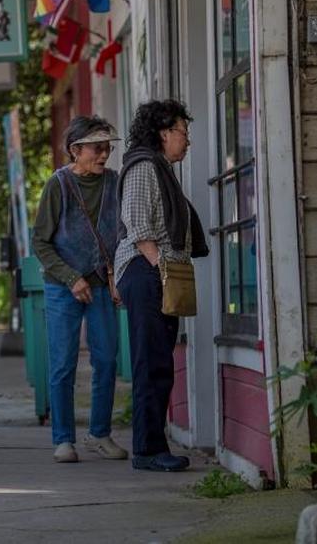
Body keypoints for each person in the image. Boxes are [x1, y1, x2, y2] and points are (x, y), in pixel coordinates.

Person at [115, 99, 209, 472]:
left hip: (155, 271)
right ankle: (148, 450)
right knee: (150, 364)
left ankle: (152, 445)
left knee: (158, 363)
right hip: (146, 270)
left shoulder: (161, 171)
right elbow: (138, 227)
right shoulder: (143, 168)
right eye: (183, 133)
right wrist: (163, 270)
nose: (187, 141)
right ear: (164, 133)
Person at [31, 116, 128, 464]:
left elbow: (120, 234)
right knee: (63, 363)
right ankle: (63, 439)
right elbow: (40, 242)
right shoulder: (58, 185)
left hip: (102, 283)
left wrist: (115, 275)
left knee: (106, 360)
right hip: (62, 286)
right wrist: (72, 278)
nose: (104, 155)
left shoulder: (115, 183)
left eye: (107, 148)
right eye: (97, 148)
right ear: (75, 150)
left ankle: (100, 433)